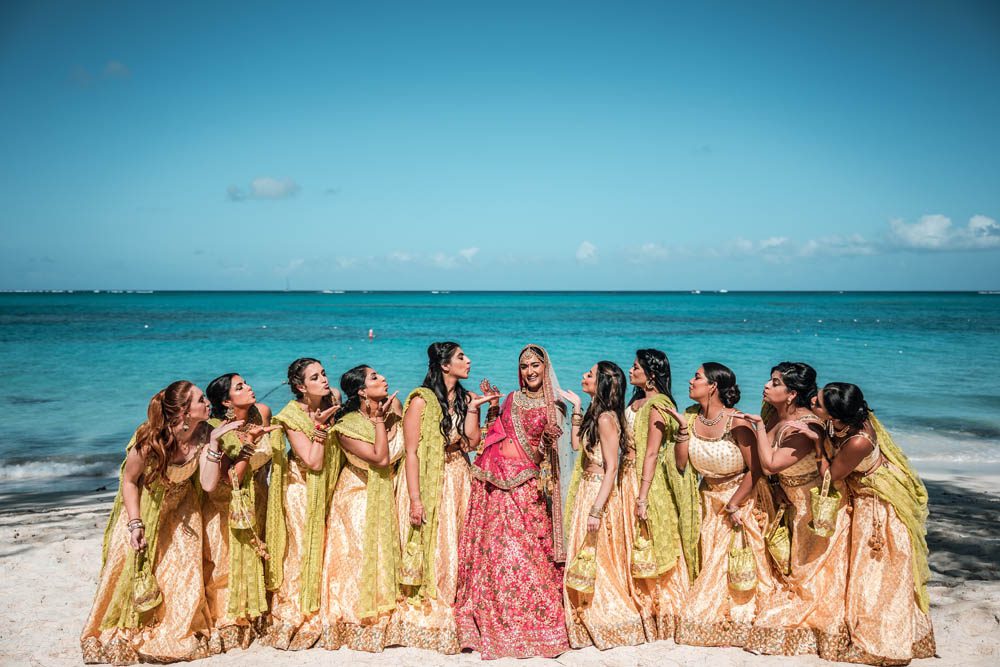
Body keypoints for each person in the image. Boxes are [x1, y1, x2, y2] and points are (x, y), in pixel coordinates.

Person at [81, 381, 241, 664]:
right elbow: (130, 482)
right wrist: (135, 524)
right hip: (144, 506)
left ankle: (172, 628)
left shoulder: (205, 433)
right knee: (130, 570)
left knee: (184, 571)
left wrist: (215, 444)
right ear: (184, 411)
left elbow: (206, 484)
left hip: (182, 506)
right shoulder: (150, 439)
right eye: (201, 400)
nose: (207, 403)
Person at [454, 344, 569, 658]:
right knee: (498, 554)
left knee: (524, 554)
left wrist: (547, 440)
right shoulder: (512, 399)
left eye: (535, 365)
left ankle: (529, 622)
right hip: (495, 485)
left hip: (525, 488)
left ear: (545, 367)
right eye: (524, 366)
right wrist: (492, 406)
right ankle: (496, 616)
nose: (529, 371)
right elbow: (493, 434)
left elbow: (550, 460)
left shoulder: (555, 405)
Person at [810, 382, 935, 664]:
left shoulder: (858, 440)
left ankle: (880, 640)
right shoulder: (849, 418)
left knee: (875, 573)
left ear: (835, 416)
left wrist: (818, 443)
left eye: (817, 403)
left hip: (877, 505)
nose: (812, 404)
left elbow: (833, 475)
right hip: (863, 496)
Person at [740, 362, 850, 657]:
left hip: (809, 507)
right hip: (786, 500)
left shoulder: (806, 427)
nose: (766, 385)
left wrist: (758, 428)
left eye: (775, 383)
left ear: (791, 395)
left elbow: (770, 464)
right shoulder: (773, 412)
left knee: (807, 575)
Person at [389, 342, 485, 653]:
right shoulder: (421, 401)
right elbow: (412, 452)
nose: (468, 361)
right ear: (445, 365)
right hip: (429, 480)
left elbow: (470, 443)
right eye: (461, 357)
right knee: (435, 542)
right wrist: (415, 499)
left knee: (459, 542)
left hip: (459, 475)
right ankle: (430, 605)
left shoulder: (466, 398)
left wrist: (474, 409)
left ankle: (460, 605)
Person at [674, 363, 777, 648]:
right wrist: (683, 430)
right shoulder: (690, 416)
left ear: (713, 386)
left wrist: (733, 505)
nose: (690, 381)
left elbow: (756, 470)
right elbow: (681, 464)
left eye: (696, 377)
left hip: (740, 497)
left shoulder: (738, 423)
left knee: (736, 566)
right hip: (707, 498)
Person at [320, 365, 403, 651]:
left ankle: (389, 611)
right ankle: (357, 619)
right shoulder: (346, 427)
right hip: (357, 495)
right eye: (374, 377)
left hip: (390, 491)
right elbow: (380, 459)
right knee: (359, 555)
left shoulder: (396, 410)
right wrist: (380, 421)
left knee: (386, 552)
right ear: (362, 391)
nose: (383, 378)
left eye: (381, 374)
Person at [260, 358, 341, 650]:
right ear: (300, 386)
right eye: (315, 377)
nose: (323, 379)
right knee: (303, 550)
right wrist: (320, 428)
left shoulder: (333, 401)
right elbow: (312, 460)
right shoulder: (290, 415)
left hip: (330, 487)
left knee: (327, 547)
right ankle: (300, 611)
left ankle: (326, 604)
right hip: (301, 490)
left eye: (324, 373)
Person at [563, 361, 645, 649]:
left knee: (597, 556)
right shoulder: (594, 412)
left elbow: (611, 468)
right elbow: (576, 446)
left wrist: (597, 509)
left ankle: (606, 616)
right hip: (586, 487)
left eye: (591, 374)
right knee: (582, 553)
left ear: (603, 383)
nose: (584, 376)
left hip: (599, 490)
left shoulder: (607, 419)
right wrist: (576, 406)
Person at [621, 349, 698, 641]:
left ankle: (662, 612)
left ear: (651, 374)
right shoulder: (637, 399)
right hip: (627, 474)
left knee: (651, 541)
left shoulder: (658, 405)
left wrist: (642, 496)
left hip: (647, 481)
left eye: (636, 366)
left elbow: (651, 452)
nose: (630, 370)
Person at [201, 373, 276, 652]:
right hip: (227, 503)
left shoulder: (262, 412)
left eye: (246, 383)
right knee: (228, 563)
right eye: (240, 387)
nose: (249, 387)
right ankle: (233, 623)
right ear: (226, 401)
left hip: (260, 494)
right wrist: (250, 445)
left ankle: (261, 616)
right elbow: (230, 477)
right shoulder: (218, 429)